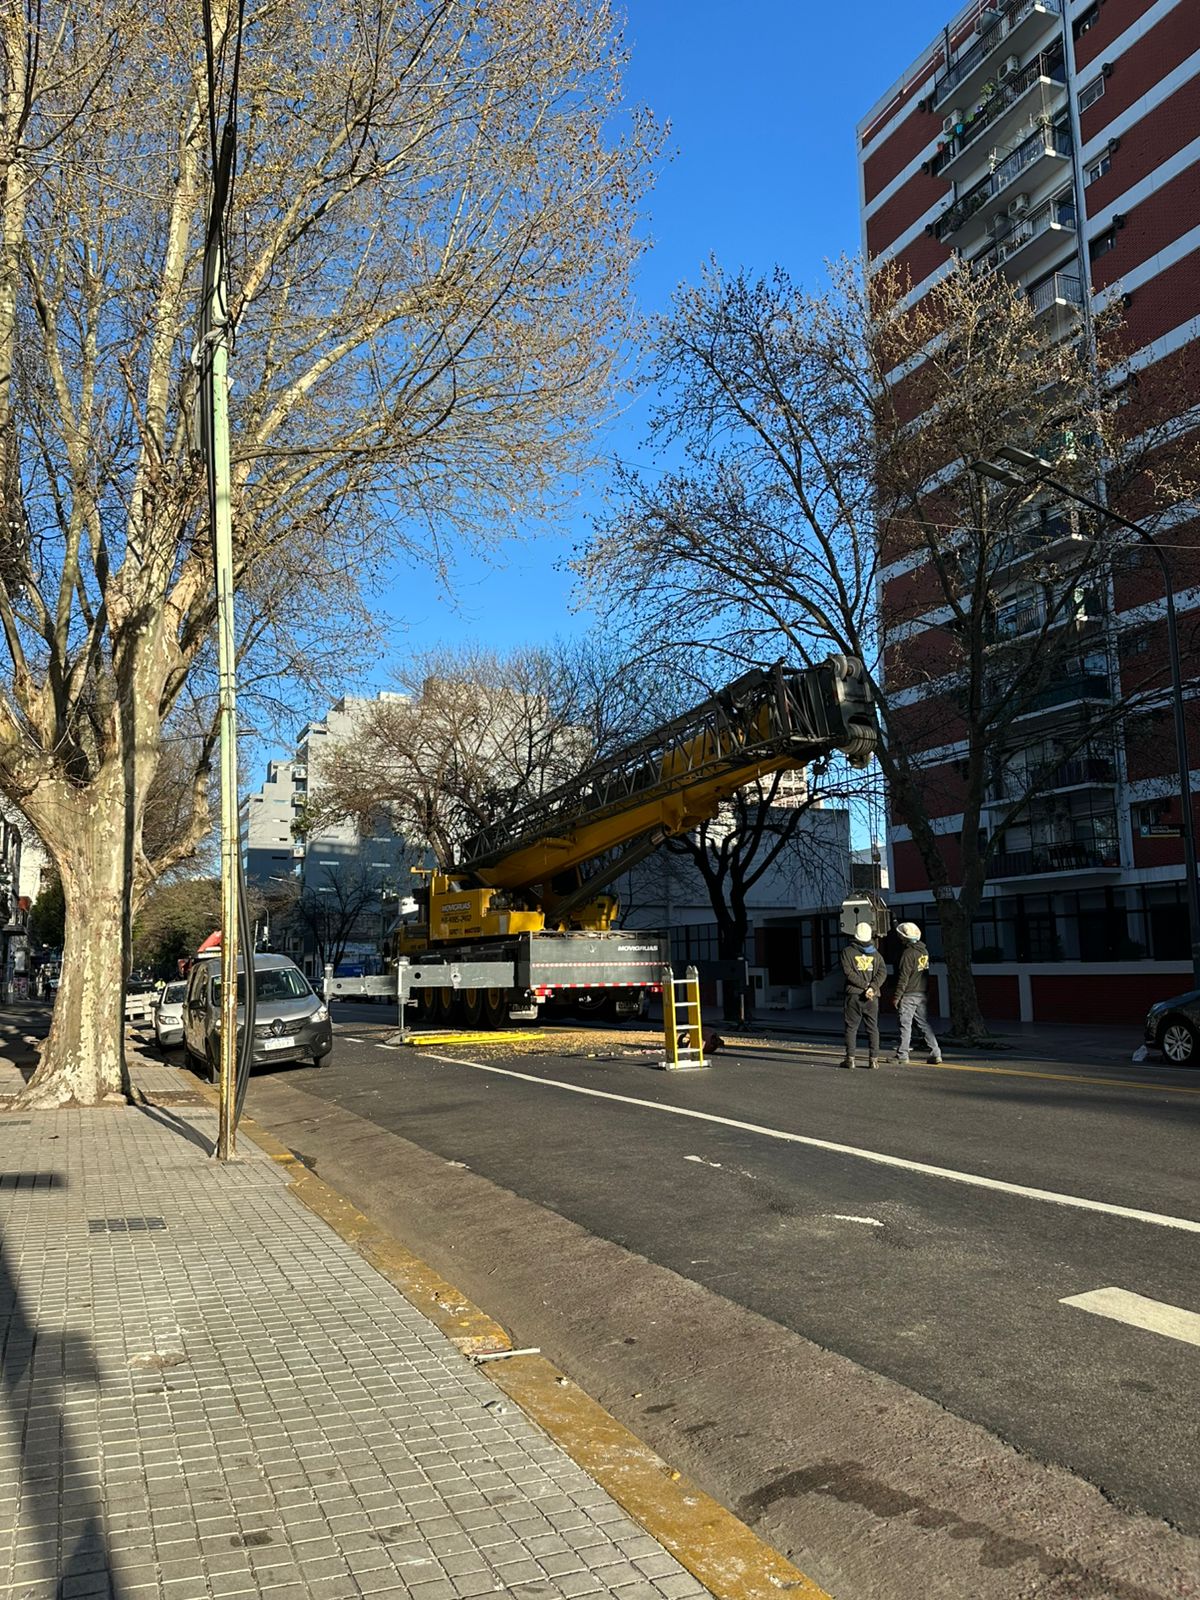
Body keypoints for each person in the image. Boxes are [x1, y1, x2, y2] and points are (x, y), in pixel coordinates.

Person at [892, 921, 942, 1065]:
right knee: (923, 1024)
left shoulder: (908, 954)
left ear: (904, 938)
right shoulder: (924, 951)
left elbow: (903, 977)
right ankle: (935, 1052)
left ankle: (902, 1054)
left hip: (909, 994)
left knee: (905, 1024)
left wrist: (897, 996)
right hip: (921, 993)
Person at [840, 921, 886, 1069]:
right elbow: (882, 972)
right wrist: (872, 987)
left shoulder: (847, 952)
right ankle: (873, 1060)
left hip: (853, 995)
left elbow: (848, 973)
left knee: (851, 1028)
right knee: (873, 1028)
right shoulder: (876, 954)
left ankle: (850, 1059)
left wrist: (864, 986)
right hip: (872, 997)